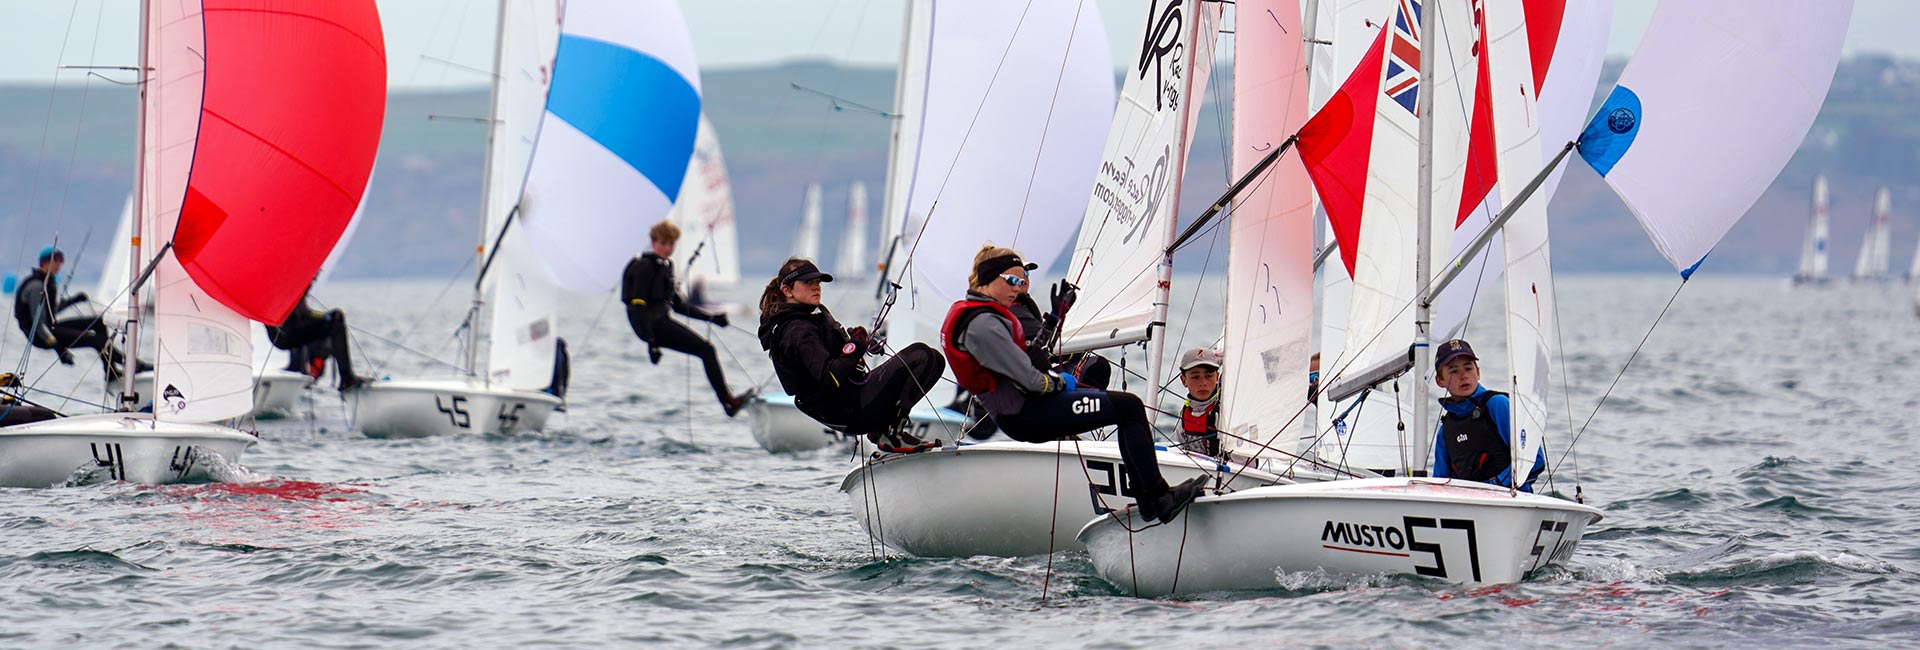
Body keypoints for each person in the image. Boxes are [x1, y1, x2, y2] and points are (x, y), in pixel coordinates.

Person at [942, 244, 1206, 523]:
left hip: (1027, 408)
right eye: (1011, 281)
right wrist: (1060, 382)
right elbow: (1031, 380)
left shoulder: (987, 314)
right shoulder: (984, 324)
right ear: (987, 277)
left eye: (1021, 281)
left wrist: (1055, 319)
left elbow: (1031, 353)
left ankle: (1151, 499)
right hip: (1026, 412)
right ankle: (1157, 499)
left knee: (1125, 407)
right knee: (1129, 407)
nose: (1017, 288)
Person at [758, 258, 946, 451]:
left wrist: (857, 343)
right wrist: (856, 347)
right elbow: (829, 377)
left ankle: (886, 430)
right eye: (808, 283)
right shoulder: (797, 331)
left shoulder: (809, 316)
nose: (816, 287)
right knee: (922, 355)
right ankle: (889, 433)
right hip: (849, 408)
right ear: (787, 290)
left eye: (817, 282)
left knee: (936, 359)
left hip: (853, 398)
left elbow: (834, 357)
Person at [624, 220, 754, 416]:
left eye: (671, 244)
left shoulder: (666, 266)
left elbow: (679, 306)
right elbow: (637, 306)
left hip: (662, 322)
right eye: (664, 243)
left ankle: (728, 401)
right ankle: (728, 402)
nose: (668, 248)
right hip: (649, 325)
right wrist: (651, 342)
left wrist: (712, 319)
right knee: (706, 350)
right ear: (653, 242)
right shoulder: (644, 267)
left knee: (707, 350)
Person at [1429, 339, 1545, 492]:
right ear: (1440, 380)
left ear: (1478, 372)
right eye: (1453, 371)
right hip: (1470, 507)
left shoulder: (1497, 405)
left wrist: (1495, 485)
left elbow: (1534, 459)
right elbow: (1440, 486)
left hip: (1512, 502)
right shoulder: (1445, 431)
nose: (1463, 376)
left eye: (1468, 368)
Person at [13, 247, 137, 380]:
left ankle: (111, 372)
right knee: (95, 340)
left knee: (99, 322)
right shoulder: (37, 286)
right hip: (41, 336)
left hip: (50, 328)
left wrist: (75, 300)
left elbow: (52, 311)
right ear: (44, 263)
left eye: (61, 262)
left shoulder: (48, 283)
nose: (59, 265)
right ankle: (135, 366)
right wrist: (59, 350)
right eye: (56, 261)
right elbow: (39, 324)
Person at [265, 288, 366, 393]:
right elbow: (300, 318)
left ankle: (298, 367)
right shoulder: (288, 283)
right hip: (282, 336)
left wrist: (325, 316)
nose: (314, 280)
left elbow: (306, 315)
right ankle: (347, 379)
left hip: (290, 332)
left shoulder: (297, 290)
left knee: (335, 317)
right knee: (336, 317)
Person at [1175, 347, 1223, 458]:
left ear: (1217, 377)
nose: (1203, 383)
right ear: (1184, 380)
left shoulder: (1224, 412)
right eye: (1195, 377)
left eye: (1209, 376)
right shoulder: (1184, 413)